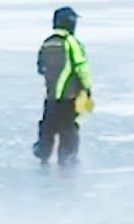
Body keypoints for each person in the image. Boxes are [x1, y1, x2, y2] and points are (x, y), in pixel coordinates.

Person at [33, 6, 91, 166]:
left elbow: (40, 67)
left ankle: (43, 154)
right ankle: (67, 161)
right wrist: (87, 88)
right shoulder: (71, 42)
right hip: (69, 97)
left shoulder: (48, 42)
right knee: (68, 129)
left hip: (51, 97)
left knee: (48, 127)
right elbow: (81, 67)